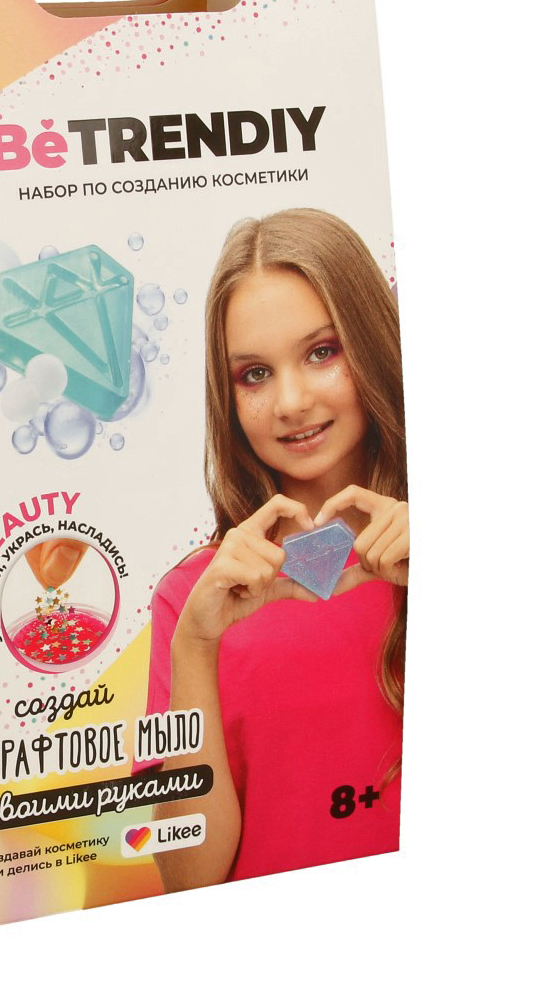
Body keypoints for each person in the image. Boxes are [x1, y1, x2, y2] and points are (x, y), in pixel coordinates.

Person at [145, 208, 409, 889]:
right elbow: (185, 879)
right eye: (255, 374)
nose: (290, 401)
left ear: (372, 343)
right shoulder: (193, 599)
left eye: (322, 352)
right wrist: (194, 648)